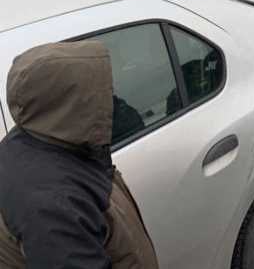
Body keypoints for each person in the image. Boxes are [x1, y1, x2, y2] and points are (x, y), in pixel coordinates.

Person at [0, 41, 159, 268]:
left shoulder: (35, 138)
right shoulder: (53, 206)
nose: (111, 96)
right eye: (101, 90)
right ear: (66, 101)